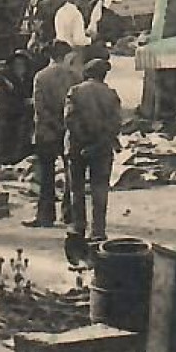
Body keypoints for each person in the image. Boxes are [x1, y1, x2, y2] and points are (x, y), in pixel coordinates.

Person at [65, 58, 123, 242]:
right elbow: (116, 123)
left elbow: (70, 119)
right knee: (100, 190)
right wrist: (98, 142)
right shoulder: (111, 94)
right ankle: (98, 230)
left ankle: (78, 226)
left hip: (77, 147)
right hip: (102, 148)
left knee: (77, 189)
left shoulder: (75, 91)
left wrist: (83, 142)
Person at [25, 41, 77, 228]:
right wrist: (65, 125)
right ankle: (70, 214)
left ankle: (46, 216)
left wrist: (53, 124)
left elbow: (40, 108)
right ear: (66, 56)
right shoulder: (74, 76)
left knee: (46, 176)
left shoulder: (40, 77)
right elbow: (75, 106)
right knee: (72, 174)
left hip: (46, 132)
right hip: (68, 132)